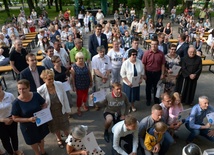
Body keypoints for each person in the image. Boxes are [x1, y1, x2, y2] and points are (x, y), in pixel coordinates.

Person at [11, 79, 49, 155]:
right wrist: (28, 119)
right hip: (27, 127)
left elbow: (44, 104)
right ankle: (37, 153)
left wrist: (43, 112)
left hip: (39, 122)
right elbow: (14, 118)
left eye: (24, 88)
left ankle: (43, 151)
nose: (21, 91)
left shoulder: (35, 95)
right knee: (33, 141)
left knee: (41, 138)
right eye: (19, 89)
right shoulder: (16, 103)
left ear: (29, 88)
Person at [37, 69, 70, 149]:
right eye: (49, 79)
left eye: (52, 78)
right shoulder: (40, 90)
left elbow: (65, 98)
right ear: (44, 79)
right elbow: (40, 104)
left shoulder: (59, 84)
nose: (51, 80)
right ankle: (59, 139)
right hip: (50, 112)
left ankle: (69, 140)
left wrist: (67, 110)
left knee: (65, 127)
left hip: (61, 109)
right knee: (55, 127)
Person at [0, 82, 24, 155]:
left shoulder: (9, 95)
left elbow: (15, 107)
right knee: (4, 138)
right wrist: (3, 120)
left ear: (1, 86)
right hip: (0, 121)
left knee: (14, 135)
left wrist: (13, 117)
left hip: (12, 118)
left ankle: (16, 150)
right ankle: (10, 152)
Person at [142, 39, 165, 106]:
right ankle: (148, 100)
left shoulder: (161, 53)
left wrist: (162, 74)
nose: (153, 46)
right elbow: (143, 64)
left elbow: (163, 64)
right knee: (148, 87)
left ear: (157, 45)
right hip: (148, 73)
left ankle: (156, 100)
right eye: (152, 44)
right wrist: (144, 74)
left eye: (155, 44)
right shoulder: (146, 53)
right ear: (150, 45)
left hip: (157, 73)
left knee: (157, 87)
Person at [70, 52, 93, 116]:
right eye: (79, 58)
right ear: (76, 58)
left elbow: (89, 73)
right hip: (79, 84)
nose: (81, 60)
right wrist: (74, 86)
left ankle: (84, 104)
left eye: (82, 58)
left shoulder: (86, 64)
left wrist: (91, 81)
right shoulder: (74, 67)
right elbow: (73, 78)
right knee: (79, 97)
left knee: (85, 95)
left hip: (86, 83)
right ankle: (78, 108)